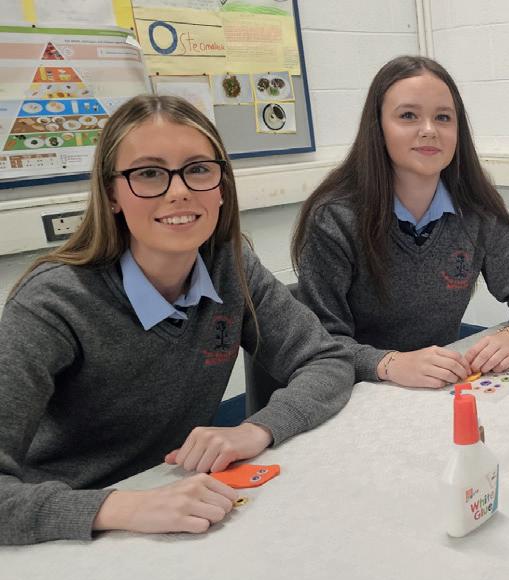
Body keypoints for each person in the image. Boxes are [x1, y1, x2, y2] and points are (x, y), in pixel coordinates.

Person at [0, 95, 354, 545]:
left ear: (222, 186)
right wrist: (126, 507)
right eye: (149, 173)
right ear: (111, 194)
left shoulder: (231, 266)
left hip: (179, 503)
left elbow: (326, 360)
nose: (179, 191)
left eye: (198, 169)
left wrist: (256, 429)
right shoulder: (53, 302)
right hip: (66, 533)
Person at [291, 55, 509, 388]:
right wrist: (389, 363)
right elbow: (320, 343)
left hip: (437, 388)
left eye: (443, 117)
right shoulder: (335, 219)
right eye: (408, 116)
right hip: (356, 391)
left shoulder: (476, 211)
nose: (430, 130)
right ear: (378, 127)